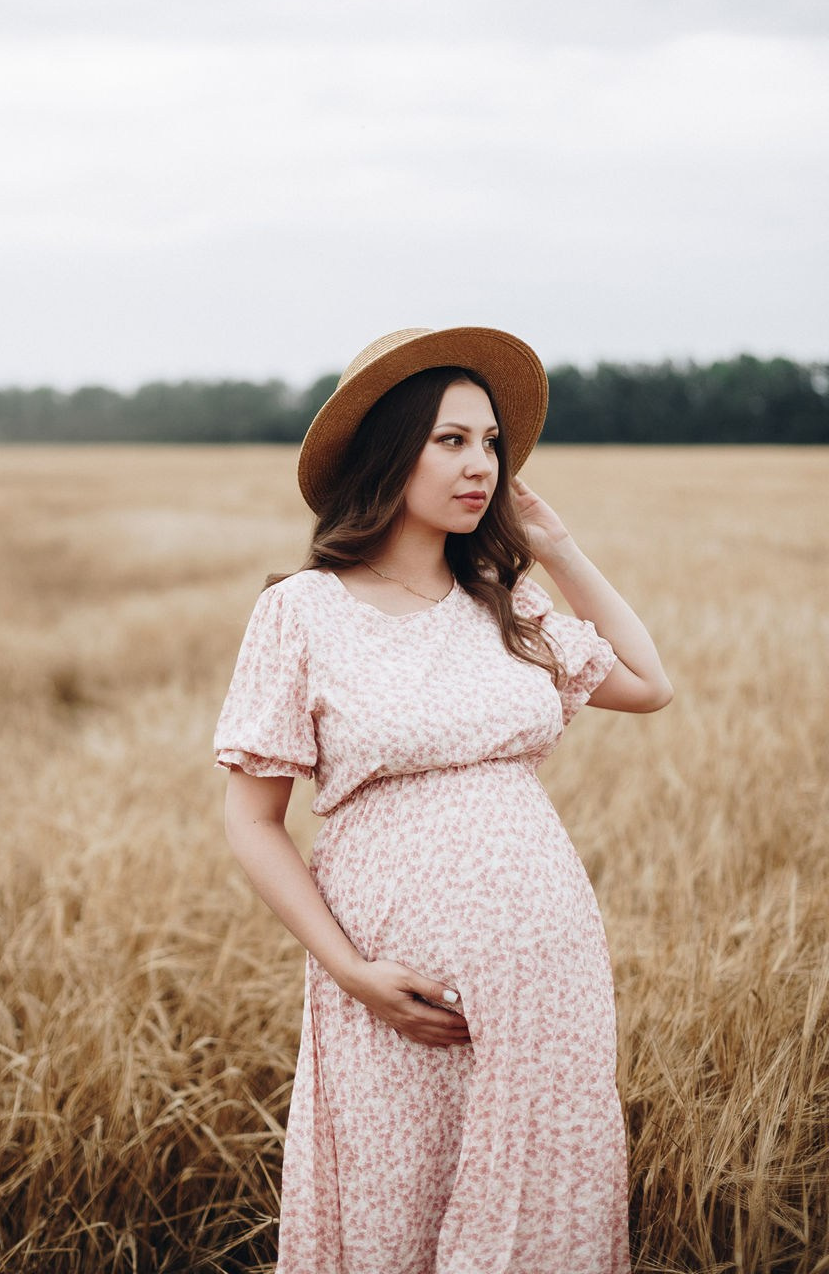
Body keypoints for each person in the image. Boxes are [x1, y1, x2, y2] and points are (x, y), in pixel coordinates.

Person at [215, 326, 672, 1274]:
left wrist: (556, 546)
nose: (482, 466)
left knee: (543, 1215)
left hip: (549, 981)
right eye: (450, 441)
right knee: (396, 1211)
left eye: (492, 444)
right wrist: (349, 972)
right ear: (390, 451)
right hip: (393, 993)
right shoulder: (302, 612)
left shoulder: (508, 605)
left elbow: (647, 680)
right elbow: (253, 823)